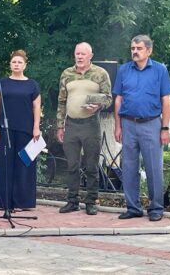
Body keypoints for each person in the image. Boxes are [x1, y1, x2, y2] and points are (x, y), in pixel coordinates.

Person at [113, 35, 170, 222]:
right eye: (132, 48)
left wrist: (164, 128)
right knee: (129, 167)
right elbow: (118, 99)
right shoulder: (124, 70)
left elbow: (166, 100)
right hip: (128, 124)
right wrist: (118, 126)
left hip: (151, 124)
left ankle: (156, 208)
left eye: (139, 48)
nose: (135, 52)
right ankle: (133, 207)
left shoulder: (160, 70)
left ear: (149, 50)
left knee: (154, 167)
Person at [55, 42, 112, 216]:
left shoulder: (100, 74)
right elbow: (62, 101)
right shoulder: (67, 74)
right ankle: (72, 201)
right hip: (71, 124)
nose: (79, 57)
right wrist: (60, 125)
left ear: (90, 56)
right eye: (77, 54)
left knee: (91, 166)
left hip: (90, 124)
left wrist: (98, 106)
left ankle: (91, 201)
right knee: (72, 165)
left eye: (83, 54)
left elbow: (109, 98)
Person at [0, 50, 41, 211]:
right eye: (14, 62)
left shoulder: (32, 84)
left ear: (25, 65)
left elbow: (36, 107)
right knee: (5, 165)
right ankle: (4, 201)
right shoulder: (2, 83)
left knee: (24, 165)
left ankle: (22, 202)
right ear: (10, 65)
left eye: (20, 62)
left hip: (26, 130)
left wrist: (36, 128)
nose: (17, 65)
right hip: (5, 129)